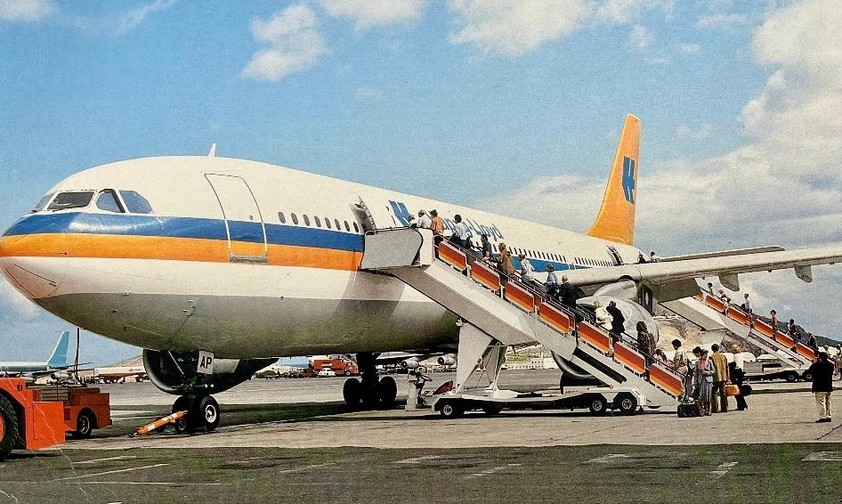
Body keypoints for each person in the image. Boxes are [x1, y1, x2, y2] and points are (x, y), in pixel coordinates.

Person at [808, 352, 834, 422]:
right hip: (828, 386)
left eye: (818, 357)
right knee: (828, 402)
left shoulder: (817, 365)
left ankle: (822, 416)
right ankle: (828, 416)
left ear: (821, 358)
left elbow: (810, 371)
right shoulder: (831, 365)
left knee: (820, 402)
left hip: (819, 386)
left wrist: (814, 363)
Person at [693, 347, 715, 416]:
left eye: (707, 355)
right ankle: (702, 410)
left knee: (708, 396)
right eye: (705, 354)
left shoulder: (709, 362)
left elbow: (713, 371)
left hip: (708, 380)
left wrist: (707, 372)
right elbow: (696, 373)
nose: (706, 356)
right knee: (701, 396)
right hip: (701, 380)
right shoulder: (697, 363)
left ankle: (709, 410)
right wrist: (695, 382)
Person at [710, 344, 730, 413]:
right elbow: (727, 367)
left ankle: (715, 408)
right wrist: (728, 377)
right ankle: (725, 408)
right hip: (723, 376)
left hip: (716, 377)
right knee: (723, 392)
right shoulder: (723, 356)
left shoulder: (712, 357)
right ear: (718, 349)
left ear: (712, 349)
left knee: (714, 392)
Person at [729, 344, 748, 411]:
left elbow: (736, 365)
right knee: (739, 389)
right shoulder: (740, 355)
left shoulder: (736, 356)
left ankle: (741, 405)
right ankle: (742, 404)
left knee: (737, 390)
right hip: (740, 374)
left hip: (736, 374)